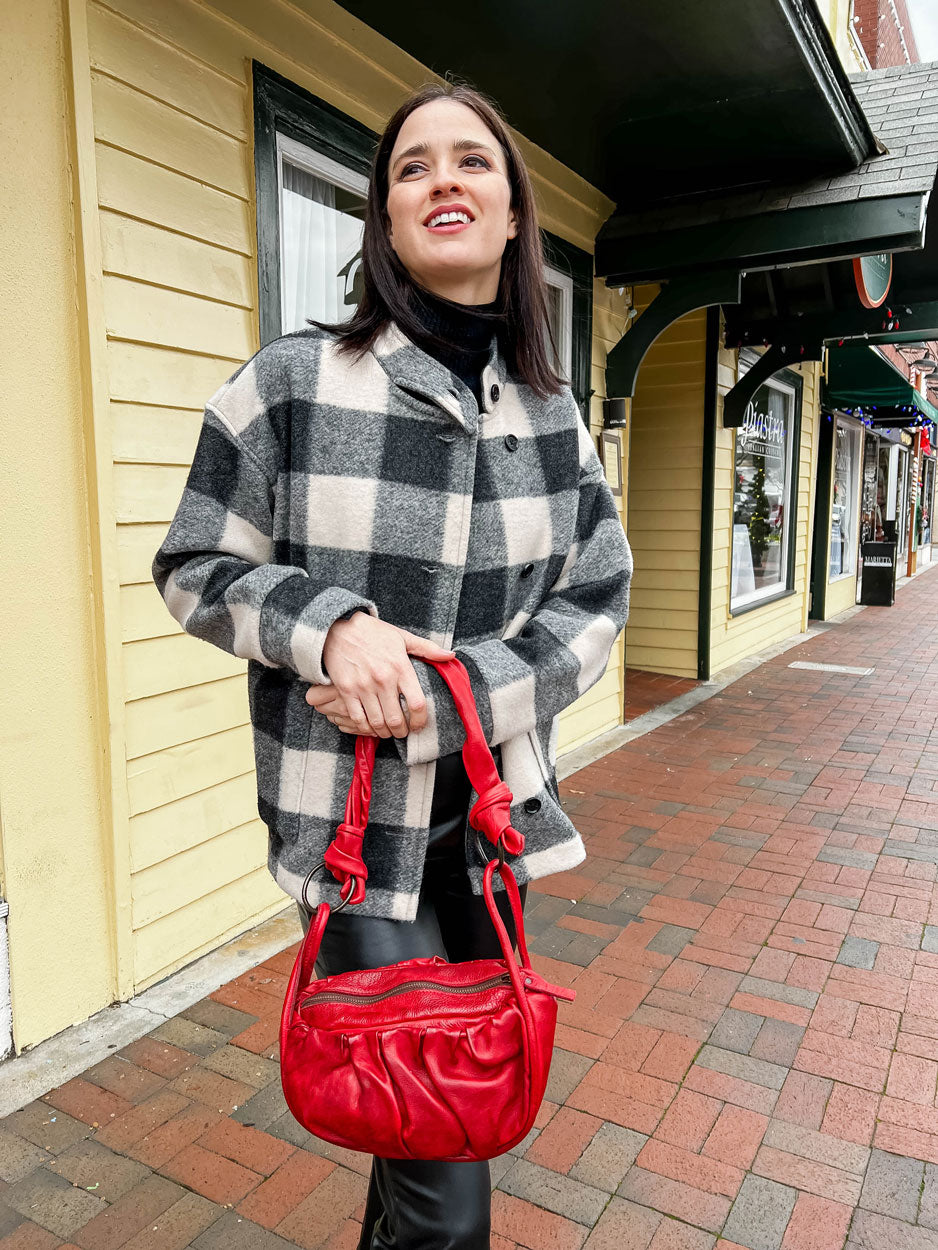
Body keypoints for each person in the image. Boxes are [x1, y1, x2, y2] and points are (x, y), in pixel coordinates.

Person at [152, 79, 632, 1250]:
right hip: (360, 840)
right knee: (447, 1185)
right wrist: (329, 623)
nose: (443, 181)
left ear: (514, 215)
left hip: (491, 830)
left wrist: (452, 695)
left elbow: (595, 595)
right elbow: (195, 565)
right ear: (385, 216)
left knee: (413, 1116)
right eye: (413, 167)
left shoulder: (550, 418)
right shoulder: (289, 385)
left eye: (472, 161)